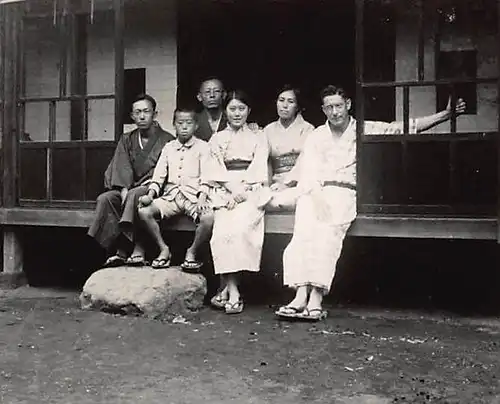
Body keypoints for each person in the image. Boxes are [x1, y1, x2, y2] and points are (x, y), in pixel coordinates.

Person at [276, 85, 467, 321]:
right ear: (323, 109)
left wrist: (445, 115)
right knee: (302, 234)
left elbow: (402, 128)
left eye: (338, 106)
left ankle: (316, 297)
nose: (334, 112)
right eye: (329, 107)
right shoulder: (317, 136)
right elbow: (308, 171)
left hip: (344, 193)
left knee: (326, 237)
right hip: (314, 191)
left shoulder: (363, 129)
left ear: (348, 105)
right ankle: (299, 294)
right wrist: (316, 197)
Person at [87, 94, 175, 268]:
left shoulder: (167, 140)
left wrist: (146, 187)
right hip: (129, 187)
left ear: (155, 114)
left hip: (153, 190)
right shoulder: (126, 139)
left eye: (146, 112)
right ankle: (113, 248)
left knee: (136, 196)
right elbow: (121, 166)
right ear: (132, 116)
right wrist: (123, 188)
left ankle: (132, 249)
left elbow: (166, 173)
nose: (142, 116)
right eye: (138, 112)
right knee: (106, 199)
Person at [205, 90, 271, 314]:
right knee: (223, 232)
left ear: (248, 111)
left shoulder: (258, 137)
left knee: (242, 228)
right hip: (224, 190)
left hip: (251, 189)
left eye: (241, 109)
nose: (237, 113)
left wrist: (241, 192)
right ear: (226, 111)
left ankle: (226, 288)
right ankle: (233, 290)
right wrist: (231, 191)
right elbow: (214, 169)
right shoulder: (217, 138)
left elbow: (259, 166)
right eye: (232, 109)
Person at [137, 107, 214, 271]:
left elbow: (207, 176)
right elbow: (158, 176)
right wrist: (150, 195)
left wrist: (202, 199)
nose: (184, 127)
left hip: (193, 197)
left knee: (208, 218)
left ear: (196, 126)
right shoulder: (169, 147)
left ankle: (191, 252)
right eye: (180, 123)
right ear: (174, 125)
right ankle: (163, 249)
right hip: (171, 198)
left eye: (189, 123)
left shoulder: (203, 147)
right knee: (144, 212)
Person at [264, 85, 315, 210]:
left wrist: (287, 183)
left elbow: (307, 161)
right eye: (281, 100)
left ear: (297, 106)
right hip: (275, 182)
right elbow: (265, 161)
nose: (285, 105)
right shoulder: (268, 130)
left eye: (290, 101)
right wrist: (267, 184)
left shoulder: (308, 129)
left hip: (299, 182)